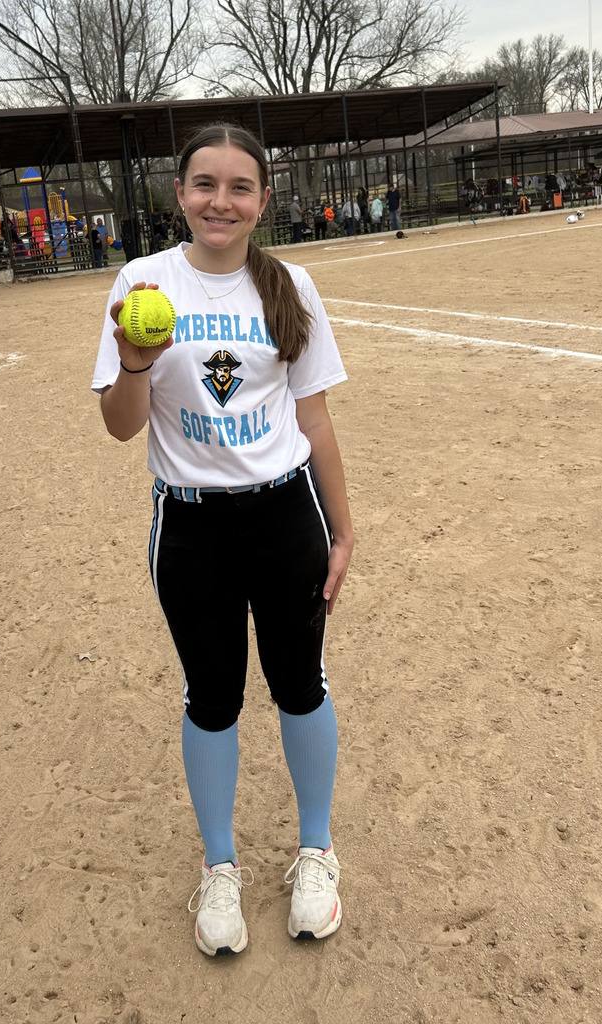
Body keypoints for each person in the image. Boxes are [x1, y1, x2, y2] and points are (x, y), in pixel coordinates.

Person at [92, 122, 353, 958]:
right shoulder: (143, 283)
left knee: (299, 684)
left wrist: (343, 528)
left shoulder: (289, 285)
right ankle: (220, 868)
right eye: (205, 184)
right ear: (179, 193)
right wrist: (137, 361)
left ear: (263, 200)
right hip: (192, 524)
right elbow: (120, 431)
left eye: (240, 187)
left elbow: (313, 419)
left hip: (284, 516)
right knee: (212, 696)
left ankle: (315, 853)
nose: (221, 201)